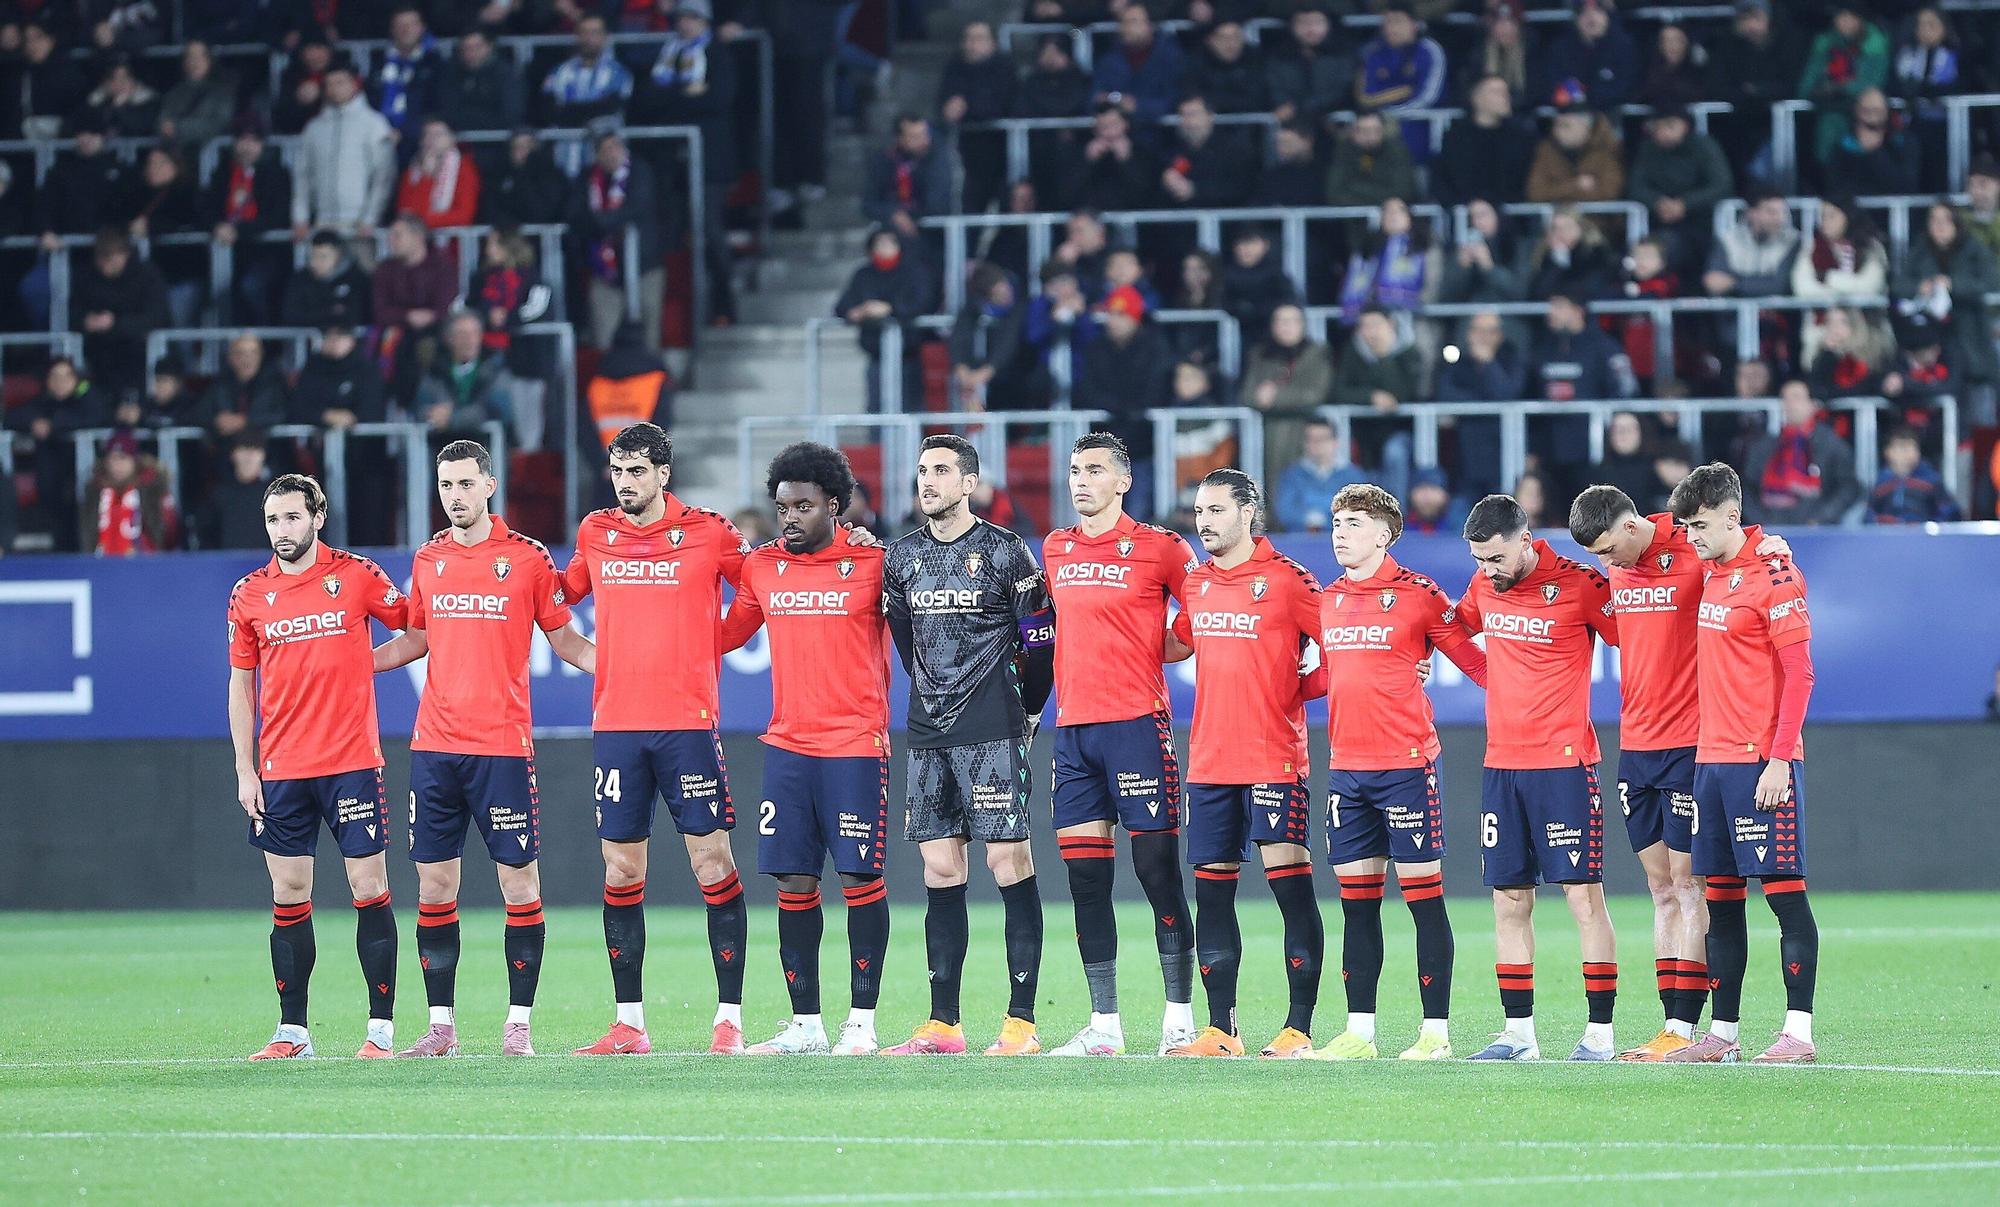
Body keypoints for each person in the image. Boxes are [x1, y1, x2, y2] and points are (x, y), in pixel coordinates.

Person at [371, 440, 595, 1057]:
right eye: (446, 486)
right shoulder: (428, 559)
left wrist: (627, 668)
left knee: (519, 886)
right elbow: (413, 641)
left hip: (501, 750)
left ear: (490, 486)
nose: (455, 496)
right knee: (435, 887)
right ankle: (441, 1027)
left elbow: (567, 642)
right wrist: (348, 666)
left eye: (466, 484)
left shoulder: (526, 559)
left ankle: (517, 1026)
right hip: (434, 750)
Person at [1568, 484, 1788, 1060]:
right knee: (1660, 887)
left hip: (1692, 744)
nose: (1605, 563)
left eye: (1609, 549)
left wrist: (1777, 551)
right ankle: (1671, 1026)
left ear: (1633, 524)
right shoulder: (1610, 573)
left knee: (1692, 887)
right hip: (1635, 746)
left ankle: (1689, 1029)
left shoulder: (1691, 542)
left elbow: (1745, 549)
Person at [555, 423, 754, 1056]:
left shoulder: (709, 532)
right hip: (616, 727)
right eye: (618, 471)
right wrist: (600, 662)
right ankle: (629, 1024)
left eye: (638, 471)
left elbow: (760, 586)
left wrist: (714, 642)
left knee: (711, 861)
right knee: (620, 866)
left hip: (687, 724)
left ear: (664, 474)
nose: (626, 483)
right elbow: (557, 599)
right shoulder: (595, 532)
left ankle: (728, 1019)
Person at [710, 442, 892, 1055]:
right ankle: (806, 1023)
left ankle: (861, 1024)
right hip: (788, 746)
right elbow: (729, 634)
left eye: (803, 507)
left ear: (834, 507)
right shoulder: (764, 567)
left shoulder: (874, 564)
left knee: (860, 877)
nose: (789, 517)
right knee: (793, 881)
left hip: (854, 746)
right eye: (782, 507)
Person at [878, 435, 1054, 1056]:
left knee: (1010, 862)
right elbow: (905, 645)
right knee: (940, 867)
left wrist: (1027, 712)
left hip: (995, 728)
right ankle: (944, 1023)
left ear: (970, 483)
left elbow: (1040, 646)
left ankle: (1020, 1023)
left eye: (943, 471)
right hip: (928, 734)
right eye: (923, 471)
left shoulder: (1008, 555)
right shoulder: (899, 559)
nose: (928, 481)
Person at [227, 473, 411, 1059]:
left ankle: (379, 1031)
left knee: (369, 887)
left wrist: (365, 664)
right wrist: (245, 770)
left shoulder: (355, 575)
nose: (282, 530)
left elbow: (418, 632)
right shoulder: (249, 594)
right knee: (289, 891)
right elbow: (241, 687)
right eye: (272, 521)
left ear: (317, 517)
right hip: (282, 769)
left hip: (352, 762)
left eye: (291, 518)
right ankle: (292, 1033)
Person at [1036, 433, 1201, 1056]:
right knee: (1085, 881)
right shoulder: (1055, 547)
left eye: (1095, 470)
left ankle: (1179, 1016)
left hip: (1138, 726)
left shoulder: (1160, 548)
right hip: (1074, 732)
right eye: (1075, 470)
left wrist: (1166, 646)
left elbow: (1201, 607)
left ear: (1122, 481)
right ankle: (1104, 1024)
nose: (1081, 481)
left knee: (1157, 872)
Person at [1309, 483, 1486, 1062]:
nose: (1341, 532)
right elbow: (1324, 679)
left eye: (1354, 523)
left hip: (1408, 768)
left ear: (1386, 534)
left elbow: (1476, 662)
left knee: (1423, 900)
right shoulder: (1328, 599)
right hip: (1347, 773)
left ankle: (1435, 1033)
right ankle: (1359, 1032)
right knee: (1357, 904)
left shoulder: (1417, 595)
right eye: (1337, 522)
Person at [1161, 469, 1325, 1059]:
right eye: (1198, 512)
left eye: (1215, 511)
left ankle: (1298, 1029)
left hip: (1274, 760)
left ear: (1248, 514)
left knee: (1291, 892)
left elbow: (1342, 646)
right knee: (1213, 895)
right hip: (1208, 762)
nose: (1203, 522)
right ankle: (1221, 1030)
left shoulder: (1289, 581)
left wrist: (1296, 691)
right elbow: (1176, 641)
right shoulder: (1198, 583)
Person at [1664, 462, 1820, 1063]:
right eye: (1687, 527)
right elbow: (1653, 533)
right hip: (1711, 764)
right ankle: (1722, 1036)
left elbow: (1801, 674)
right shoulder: (1711, 566)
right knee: (1721, 902)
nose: (1692, 537)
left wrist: (1780, 760)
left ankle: (1798, 1035)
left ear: (1734, 516)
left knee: (1785, 896)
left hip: (1760, 762)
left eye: (1700, 526)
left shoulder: (1774, 575)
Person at [1456, 493, 1621, 1061]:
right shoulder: (1483, 586)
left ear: (1527, 541)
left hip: (1565, 766)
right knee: (1508, 901)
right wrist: (1486, 675)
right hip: (1502, 765)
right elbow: (1452, 629)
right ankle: (1518, 1035)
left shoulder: (1581, 585)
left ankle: (1599, 1033)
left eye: (1496, 559)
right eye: (1479, 560)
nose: (1487, 571)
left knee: (1582, 898)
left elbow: (1638, 636)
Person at [1070, 287, 1171, 511]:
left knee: (1137, 515)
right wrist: (1118, 408)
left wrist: (1125, 409)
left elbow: (1156, 390)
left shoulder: (1154, 348)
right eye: (1111, 315)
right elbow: (1086, 390)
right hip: (1104, 446)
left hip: (1143, 444)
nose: (1114, 321)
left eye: (1121, 316)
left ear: (1135, 318)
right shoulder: (1095, 349)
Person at [569, 129, 665, 353]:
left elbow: (636, 208)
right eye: (604, 150)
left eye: (615, 147)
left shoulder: (641, 172)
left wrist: (601, 221)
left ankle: (651, 383)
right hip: (604, 270)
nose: (611, 154)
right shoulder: (587, 179)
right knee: (603, 336)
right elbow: (576, 215)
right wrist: (600, 223)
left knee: (649, 333)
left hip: (645, 265)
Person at [290, 60, 396, 251]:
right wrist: (301, 217)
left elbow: (383, 176)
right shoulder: (313, 128)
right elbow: (302, 176)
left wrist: (371, 218)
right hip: (322, 225)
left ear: (354, 83)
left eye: (340, 82)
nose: (334, 89)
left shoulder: (374, 123)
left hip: (360, 227)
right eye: (329, 84)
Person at [835, 227, 936, 412]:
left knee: (909, 408)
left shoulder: (914, 272)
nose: (885, 248)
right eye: (880, 243)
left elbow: (923, 303)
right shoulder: (864, 274)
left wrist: (890, 309)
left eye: (890, 243)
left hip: (908, 353)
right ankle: (878, 442)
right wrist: (856, 311)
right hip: (876, 353)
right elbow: (842, 307)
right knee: (876, 407)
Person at [1626, 105, 1733, 271]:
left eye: (1670, 125)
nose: (1664, 131)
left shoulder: (1704, 147)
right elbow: (1636, 186)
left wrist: (1685, 204)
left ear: (1685, 126)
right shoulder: (1648, 150)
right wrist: (1658, 203)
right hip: (1660, 221)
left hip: (1703, 220)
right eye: (1659, 126)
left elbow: (1721, 185)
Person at [208, 117, 295, 321]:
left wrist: (240, 230)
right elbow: (208, 206)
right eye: (242, 140)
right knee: (225, 296)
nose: (247, 147)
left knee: (253, 288)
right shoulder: (223, 173)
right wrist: (217, 225)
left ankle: (267, 344)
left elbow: (277, 215)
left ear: (262, 144)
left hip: (267, 252)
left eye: (253, 141)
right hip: (231, 252)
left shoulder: (276, 174)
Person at [1744, 380, 1861, 526]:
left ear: (1813, 405)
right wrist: (1760, 521)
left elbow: (1848, 487)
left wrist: (1821, 519)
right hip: (1771, 530)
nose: (1790, 404)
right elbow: (1748, 490)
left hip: (1816, 533)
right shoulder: (1765, 446)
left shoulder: (1832, 445)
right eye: (1785, 399)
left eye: (1797, 398)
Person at [70, 226, 169, 398]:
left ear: (124, 254)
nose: (104, 264)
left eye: (109, 257)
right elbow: (73, 313)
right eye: (100, 257)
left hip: (138, 351)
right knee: (84, 386)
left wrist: (115, 323)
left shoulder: (147, 275)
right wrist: (86, 321)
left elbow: (156, 316)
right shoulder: (85, 277)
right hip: (96, 352)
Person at [374, 213, 458, 402]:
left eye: (397, 235)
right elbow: (379, 311)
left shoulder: (442, 266)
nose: (391, 241)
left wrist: (429, 317)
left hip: (435, 333)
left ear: (418, 237)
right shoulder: (384, 269)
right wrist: (408, 316)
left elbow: (444, 307)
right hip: (397, 333)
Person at [935, 20, 1015, 215]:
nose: (972, 44)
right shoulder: (955, 67)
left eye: (978, 38)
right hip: (968, 154)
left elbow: (1000, 106)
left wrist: (966, 108)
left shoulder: (1004, 68)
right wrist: (949, 109)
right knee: (969, 213)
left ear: (993, 43)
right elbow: (942, 104)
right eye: (968, 38)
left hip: (1002, 152)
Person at [1355, 0, 1446, 157]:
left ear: (1415, 25)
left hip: (1418, 128)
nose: (1391, 28)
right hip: (1378, 130)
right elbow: (1367, 96)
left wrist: (1391, 113)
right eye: (1387, 22)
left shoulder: (1429, 50)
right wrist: (1403, 93)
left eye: (1398, 21)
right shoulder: (1373, 52)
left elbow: (1428, 97)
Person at [1801, 3, 1889, 164]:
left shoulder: (1875, 43)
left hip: (1865, 112)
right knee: (1828, 130)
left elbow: (1874, 84)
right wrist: (1820, 90)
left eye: (1851, 16)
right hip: (1830, 110)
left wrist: (1842, 88)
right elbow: (1807, 85)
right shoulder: (1825, 42)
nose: (1845, 22)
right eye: (1841, 16)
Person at [1432, 74, 1535, 208]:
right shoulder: (1456, 139)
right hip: (1466, 216)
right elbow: (1444, 181)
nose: (1505, 97)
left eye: (1506, 92)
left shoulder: (1520, 138)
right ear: (1476, 98)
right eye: (1496, 92)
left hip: (1513, 216)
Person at [415, 313, 515, 437]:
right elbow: (419, 408)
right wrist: (430, 414)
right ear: (449, 339)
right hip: (442, 447)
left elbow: (497, 410)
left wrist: (453, 418)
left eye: (474, 333)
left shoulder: (496, 369)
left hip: (485, 447)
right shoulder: (434, 371)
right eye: (462, 334)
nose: (469, 340)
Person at [947, 263, 1031, 412]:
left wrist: (987, 371)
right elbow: (959, 339)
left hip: (1015, 374)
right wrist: (961, 367)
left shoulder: (1019, 310)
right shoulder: (972, 310)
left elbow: (1008, 344)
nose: (1007, 293)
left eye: (1005, 287)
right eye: (999, 292)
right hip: (978, 374)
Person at [81, 427, 176, 554]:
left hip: (145, 564)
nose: (117, 465)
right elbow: (86, 531)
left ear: (134, 461)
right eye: (113, 458)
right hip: (100, 564)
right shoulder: (95, 491)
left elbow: (168, 532)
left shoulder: (151, 488)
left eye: (123, 458)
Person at [1089, 2, 1183, 125]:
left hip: (1159, 131)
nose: (1126, 27)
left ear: (1149, 25)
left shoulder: (1170, 57)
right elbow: (1093, 97)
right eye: (1122, 22)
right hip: (1117, 130)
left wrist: (1138, 106)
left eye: (1132, 21)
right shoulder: (1109, 59)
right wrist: (1104, 102)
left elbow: (1175, 100)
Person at [1533, 0, 1636, 109]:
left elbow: (1626, 88)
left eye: (1598, 11)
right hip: (1571, 112)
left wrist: (1587, 94)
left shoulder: (1624, 47)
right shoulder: (1560, 48)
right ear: (1575, 19)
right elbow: (1553, 87)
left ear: (1608, 16)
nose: (1591, 17)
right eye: (1583, 12)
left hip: (1610, 114)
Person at [863, 115, 954, 238]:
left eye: (925, 134)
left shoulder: (936, 160)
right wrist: (893, 213)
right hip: (894, 233)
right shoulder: (884, 161)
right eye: (915, 137)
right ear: (900, 139)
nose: (924, 141)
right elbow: (869, 204)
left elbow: (937, 206)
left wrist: (909, 216)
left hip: (932, 235)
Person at [1159, 94, 1254, 210]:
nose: (1188, 121)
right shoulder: (1174, 151)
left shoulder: (1233, 150)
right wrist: (1168, 183)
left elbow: (1239, 188)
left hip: (1223, 221)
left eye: (1193, 114)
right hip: (1181, 220)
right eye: (1183, 115)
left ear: (1210, 116)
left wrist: (1195, 190)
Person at [1267, 4, 1352, 129]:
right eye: (1303, 23)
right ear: (1292, 26)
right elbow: (1274, 89)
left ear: (1328, 24)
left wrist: (1301, 107)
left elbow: (1343, 90)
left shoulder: (1344, 55)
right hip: (1290, 126)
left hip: (1335, 123)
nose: (1310, 29)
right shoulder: (1279, 58)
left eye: (1317, 22)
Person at [540, 13, 633, 126]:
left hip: (604, 141)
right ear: (576, 36)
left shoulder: (618, 72)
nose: (589, 39)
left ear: (605, 36)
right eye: (584, 32)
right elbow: (550, 110)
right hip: (564, 140)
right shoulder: (558, 72)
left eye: (595, 33)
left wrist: (571, 110)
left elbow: (610, 107)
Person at [1526, 104, 1624, 208]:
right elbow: (1536, 193)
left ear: (1585, 128)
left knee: (1562, 223)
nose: (1557, 131)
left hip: (1597, 220)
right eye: (1556, 125)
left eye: (1565, 125)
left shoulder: (1606, 151)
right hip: (1554, 217)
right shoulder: (1546, 151)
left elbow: (1609, 192)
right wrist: (1575, 185)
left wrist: (1558, 192)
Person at [1275, 419, 1364, 533]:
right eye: (1310, 439)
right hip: (1299, 541)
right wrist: (1309, 519)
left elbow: (1359, 512)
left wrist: (1323, 521)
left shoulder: (1353, 476)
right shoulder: (1292, 475)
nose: (1316, 444)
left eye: (1322, 439)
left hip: (1344, 539)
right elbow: (1284, 512)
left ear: (1335, 442)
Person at [1825, 88, 1918, 195]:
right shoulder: (1843, 146)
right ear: (1856, 112)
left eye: (1877, 111)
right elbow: (1835, 186)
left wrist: (1875, 152)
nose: (1872, 118)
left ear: (1886, 113)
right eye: (1866, 111)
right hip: (1853, 208)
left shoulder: (1902, 144)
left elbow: (1905, 186)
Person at [395, 117, 481, 230]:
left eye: (438, 134)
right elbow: (406, 213)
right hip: (417, 240)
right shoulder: (412, 171)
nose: (431, 140)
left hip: (452, 241)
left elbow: (464, 215)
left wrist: (424, 222)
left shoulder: (465, 169)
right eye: (426, 134)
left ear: (452, 139)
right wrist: (426, 177)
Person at [437, 24, 525, 133]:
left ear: (489, 46)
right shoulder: (450, 73)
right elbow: (448, 112)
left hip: (497, 142)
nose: (472, 53)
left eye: (477, 47)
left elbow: (510, 115)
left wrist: (469, 119)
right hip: (457, 141)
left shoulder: (506, 74)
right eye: (466, 48)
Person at [1325, 111, 1417, 211]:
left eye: (1375, 130)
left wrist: (1356, 189)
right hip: (1349, 219)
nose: (1370, 136)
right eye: (1364, 131)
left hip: (1390, 215)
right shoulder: (1342, 153)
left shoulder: (1397, 152)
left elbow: (1402, 192)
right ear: (1353, 132)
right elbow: (1334, 194)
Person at [282, 229, 372, 330]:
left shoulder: (357, 279)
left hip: (348, 343)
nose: (316, 262)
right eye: (313, 256)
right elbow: (291, 317)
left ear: (338, 255)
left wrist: (317, 314)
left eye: (323, 256)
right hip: (306, 344)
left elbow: (357, 316)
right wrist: (330, 311)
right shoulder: (300, 279)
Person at [1868, 426, 1960, 524]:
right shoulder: (1881, 481)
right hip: (1889, 535)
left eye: (1913, 448)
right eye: (1903, 448)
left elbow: (1949, 511)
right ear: (1889, 452)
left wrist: (1932, 526)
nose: (1910, 453)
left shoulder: (1931, 480)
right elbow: (1869, 513)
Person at [480, 130, 571, 228]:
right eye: (518, 147)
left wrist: (526, 175)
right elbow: (492, 210)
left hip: (544, 238)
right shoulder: (500, 177)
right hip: (509, 238)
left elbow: (543, 213)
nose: (523, 152)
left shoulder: (553, 177)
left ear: (537, 148)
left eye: (528, 146)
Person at [158, 38, 236, 149]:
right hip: (177, 155)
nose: (194, 62)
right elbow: (162, 123)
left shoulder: (223, 93)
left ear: (209, 60)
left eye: (200, 57)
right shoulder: (174, 93)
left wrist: (179, 128)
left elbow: (219, 124)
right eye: (190, 57)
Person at [1184, 19, 1267, 116]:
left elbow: (1260, 98)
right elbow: (1192, 95)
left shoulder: (1255, 61)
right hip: (1208, 124)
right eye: (1223, 38)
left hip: (1251, 125)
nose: (1231, 44)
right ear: (1210, 40)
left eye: (1236, 37)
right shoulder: (1195, 64)